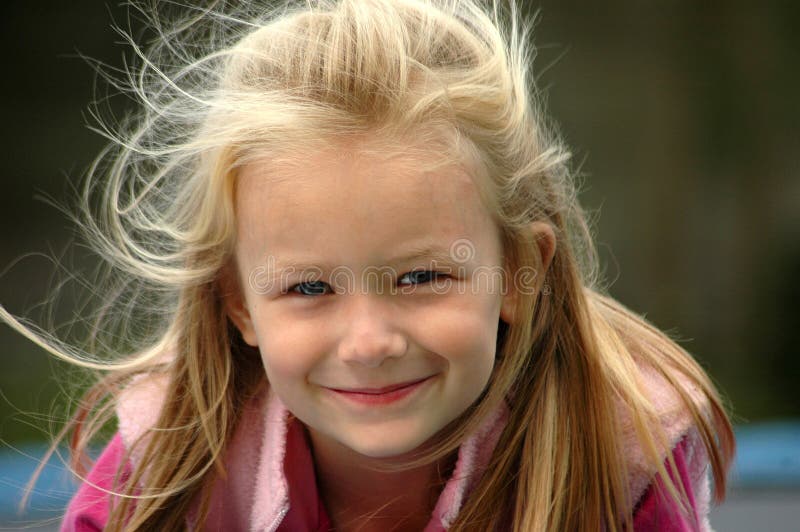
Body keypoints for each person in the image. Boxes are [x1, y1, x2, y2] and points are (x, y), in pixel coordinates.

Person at [1, 0, 734, 530]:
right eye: (309, 287)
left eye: (422, 277)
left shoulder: (615, 457)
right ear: (237, 304)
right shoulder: (168, 469)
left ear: (521, 274)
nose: (370, 341)